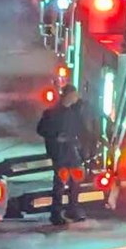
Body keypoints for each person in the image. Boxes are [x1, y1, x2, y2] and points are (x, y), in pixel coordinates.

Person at [37, 84, 88, 226]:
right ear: (68, 95)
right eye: (74, 95)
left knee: (75, 181)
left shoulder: (75, 112)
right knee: (60, 183)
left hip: (72, 151)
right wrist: (56, 137)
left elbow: (81, 129)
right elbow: (41, 130)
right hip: (59, 152)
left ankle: (73, 209)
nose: (76, 98)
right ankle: (56, 213)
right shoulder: (52, 113)